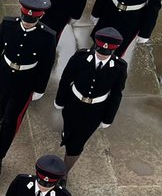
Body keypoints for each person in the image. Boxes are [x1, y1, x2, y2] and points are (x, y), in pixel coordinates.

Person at [0, 0, 57, 182]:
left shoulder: (47, 36)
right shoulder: (8, 25)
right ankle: (1, 109)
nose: (27, 23)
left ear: (39, 17)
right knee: (2, 98)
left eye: (31, 20)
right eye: (26, 18)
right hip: (5, 73)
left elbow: (46, 64)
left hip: (26, 80)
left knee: (11, 121)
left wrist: (40, 88)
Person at [55, 28, 128, 176]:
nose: (101, 55)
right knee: (68, 128)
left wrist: (108, 118)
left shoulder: (119, 68)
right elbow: (66, 79)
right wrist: (60, 100)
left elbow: (116, 94)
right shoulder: (80, 57)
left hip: (95, 111)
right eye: (100, 51)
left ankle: (64, 172)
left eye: (106, 53)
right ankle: (67, 136)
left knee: (77, 144)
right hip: (73, 102)